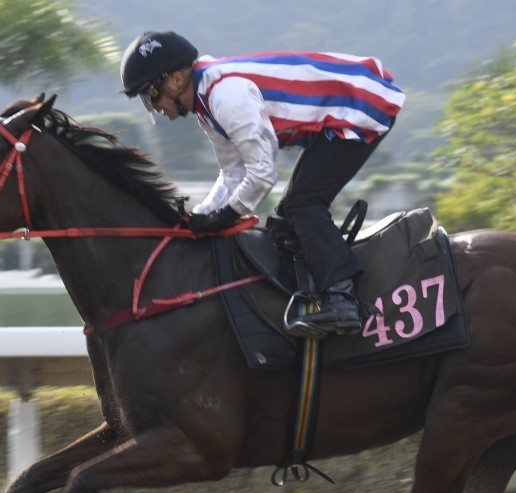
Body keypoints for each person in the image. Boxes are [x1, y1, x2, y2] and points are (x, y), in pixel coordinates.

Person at [120, 30, 405, 338]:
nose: (156, 107)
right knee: (284, 217)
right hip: (342, 111)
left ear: (176, 79)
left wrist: (226, 215)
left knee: (301, 205)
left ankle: (342, 297)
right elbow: (231, 173)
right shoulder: (205, 104)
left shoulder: (225, 96)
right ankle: (308, 295)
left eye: (152, 95)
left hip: (360, 106)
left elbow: (262, 173)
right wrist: (198, 217)